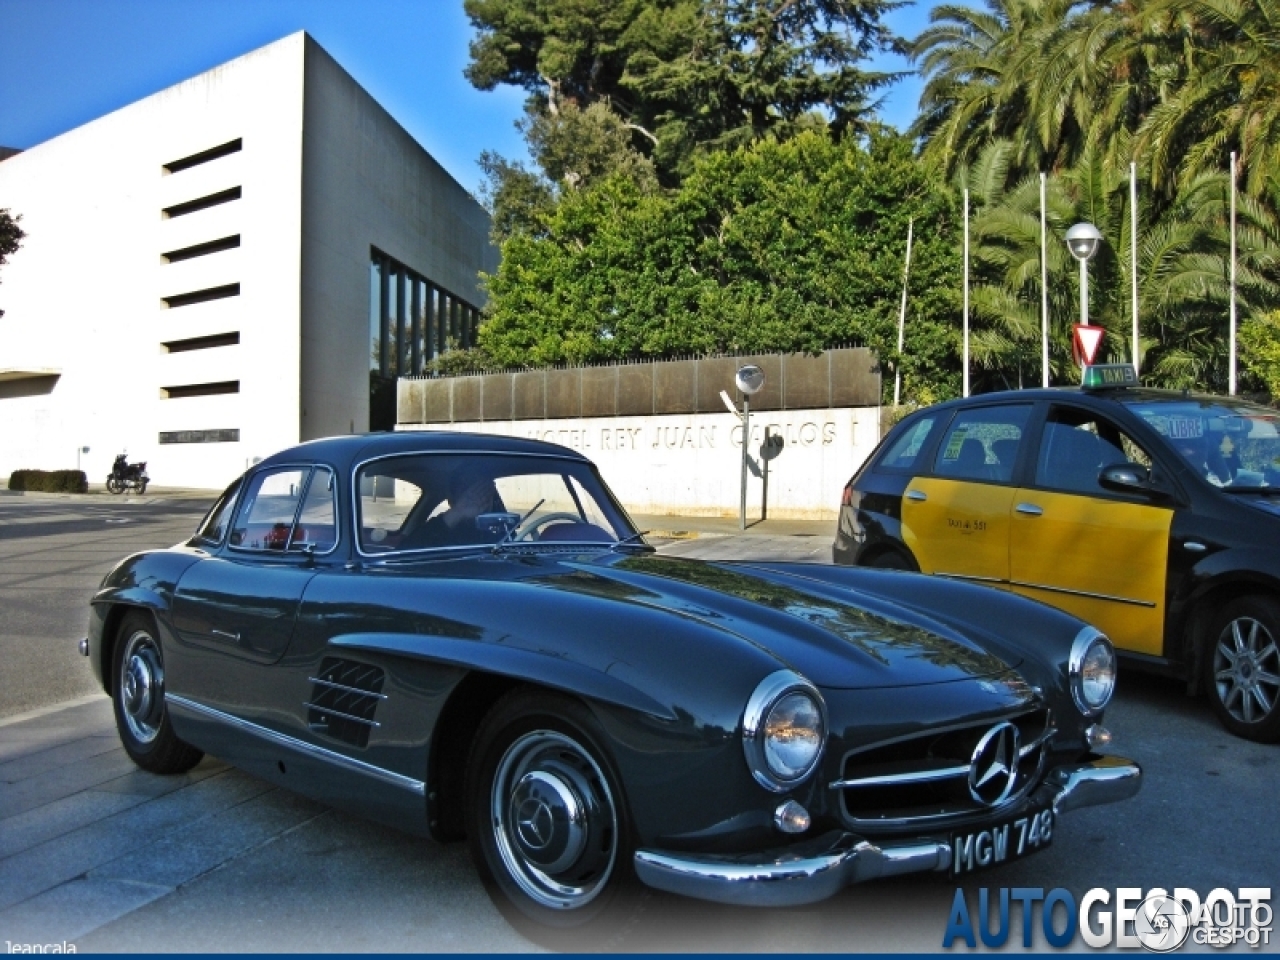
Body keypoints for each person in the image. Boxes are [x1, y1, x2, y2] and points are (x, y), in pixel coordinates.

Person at [411, 467, 502, 548]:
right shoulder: (440, 535)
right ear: (451, 500)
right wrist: (458, 512)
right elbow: (409, 549)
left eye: (485, 491)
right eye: (468, 493)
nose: (478, 499)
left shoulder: (500, 538)